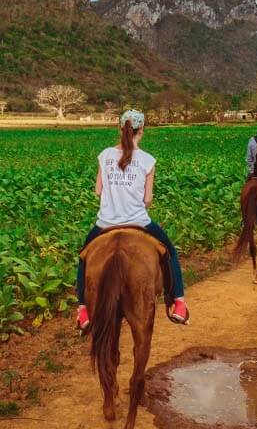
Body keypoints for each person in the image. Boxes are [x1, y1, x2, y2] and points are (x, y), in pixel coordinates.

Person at [76, 109, 189, 331]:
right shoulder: (147, 160)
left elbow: (98, 191)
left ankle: (82, 310)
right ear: (142, 131)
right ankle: (178, 303)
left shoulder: (105, 155)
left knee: (83, 257)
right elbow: (147, 199)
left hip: (105, 223)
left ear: (120, 129)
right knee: (170, 252)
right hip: (139, 221)